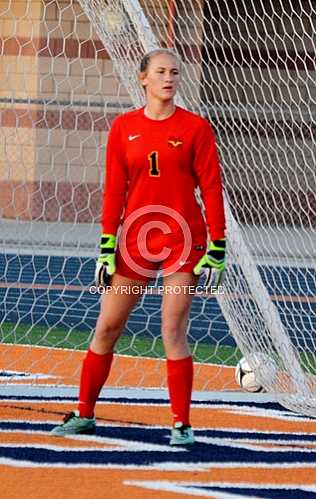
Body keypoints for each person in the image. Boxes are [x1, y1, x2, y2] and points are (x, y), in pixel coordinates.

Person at [51, 48, 226, 445]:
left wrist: (219, 245)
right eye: (161, 72)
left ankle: (181, 424)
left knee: (172, 328)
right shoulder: (123, 128)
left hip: (184, 237)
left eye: (174, 72)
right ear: (143, 78)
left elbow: (212, 190)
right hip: (136, 239)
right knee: (107, 326)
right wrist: (106, 246)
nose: (169, 78)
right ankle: (84, 413)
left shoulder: (196, 129)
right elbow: (114, 191)